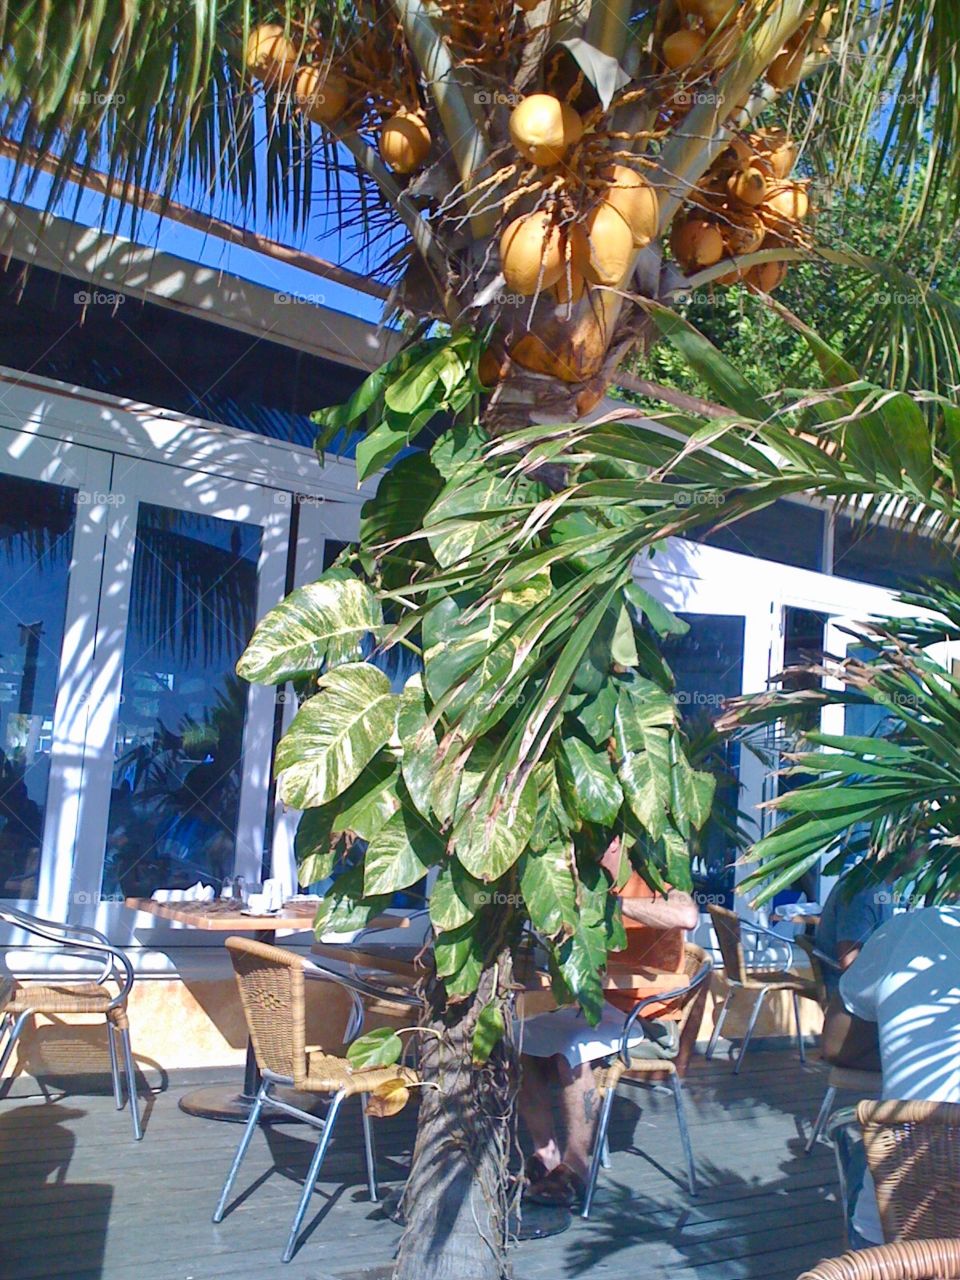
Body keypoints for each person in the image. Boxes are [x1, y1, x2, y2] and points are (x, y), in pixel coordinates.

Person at [517, 839, 698, 1207]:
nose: (594, 844)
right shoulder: (579, 874)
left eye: (603, 837)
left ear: (621, 841)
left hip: (646, 1015)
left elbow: (687, 915)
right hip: (593, 1005)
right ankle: (545, 1152)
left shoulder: (654, 872)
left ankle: (578, 1168)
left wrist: (611, 904)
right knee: (519, 1039)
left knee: (575, 1046)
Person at [824, 902, 960, 1246]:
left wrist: (906, 1051)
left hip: (897, 1234)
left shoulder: (911, 928)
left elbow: (837, 1045)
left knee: (861, 1156)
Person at [814, 861, 894, 994]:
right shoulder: (865, 890)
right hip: (851, 997)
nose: (927, 848)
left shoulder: (877, 884)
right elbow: (850, 961)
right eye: (923, 843)